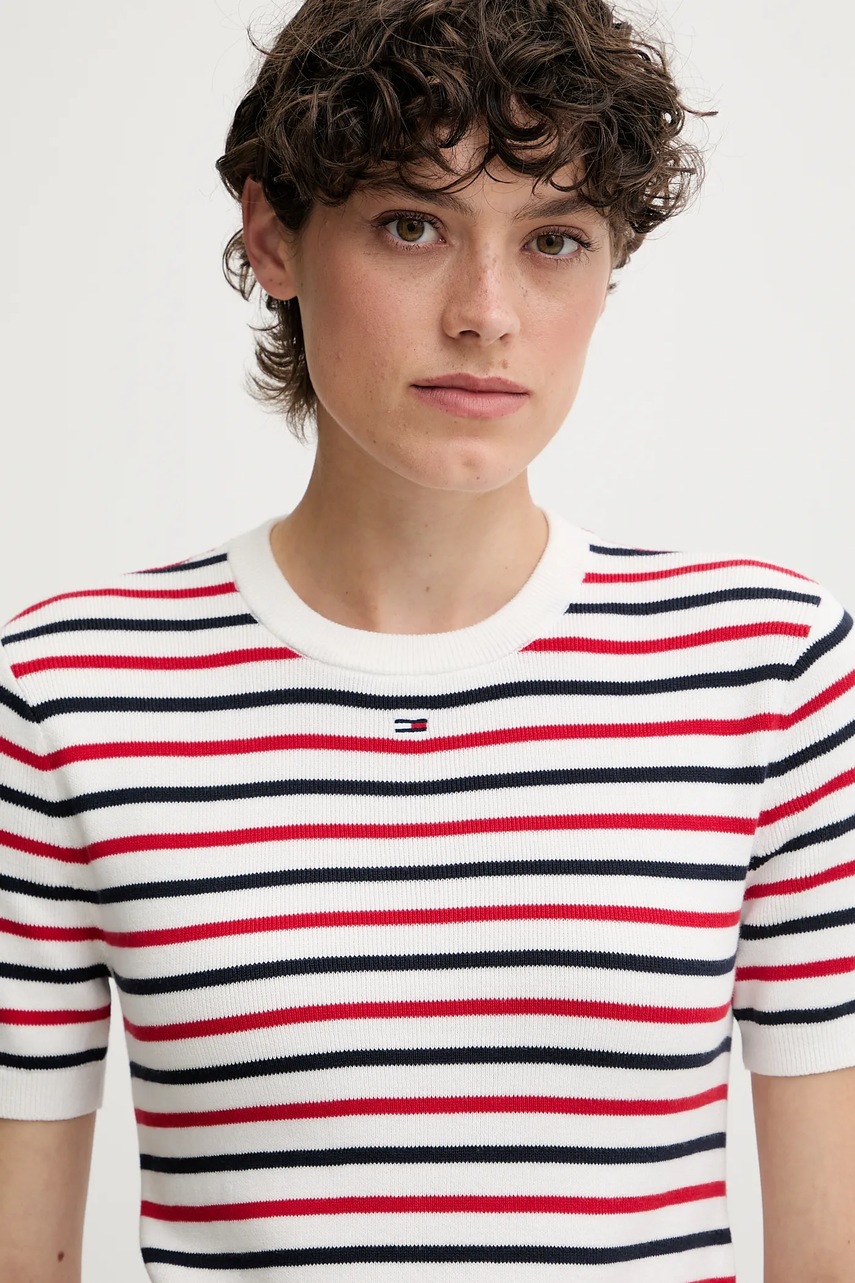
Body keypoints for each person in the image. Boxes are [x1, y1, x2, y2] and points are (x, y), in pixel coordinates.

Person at [1, 0, 854, 1280]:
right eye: (414, 224)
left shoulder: (767, 668)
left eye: (554, 239)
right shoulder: (67, 690)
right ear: (273, 237)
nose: (487, 313)